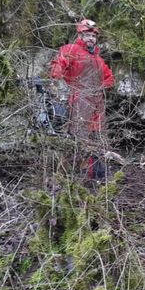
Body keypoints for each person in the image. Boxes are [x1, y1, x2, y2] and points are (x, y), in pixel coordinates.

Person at [50, 19, 115, 179]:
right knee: (78, 138)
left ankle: (97, 176)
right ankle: (69, 177)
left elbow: (110, 78)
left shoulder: (98, 59)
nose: (91, 38)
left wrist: (101, 87)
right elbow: (57, 68)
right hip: (79, 101)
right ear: (79, 35)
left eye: (93, 36)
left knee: (99, 138)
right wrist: (60, 86)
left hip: (97, 104)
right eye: (87, 35)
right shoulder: (70, 50)